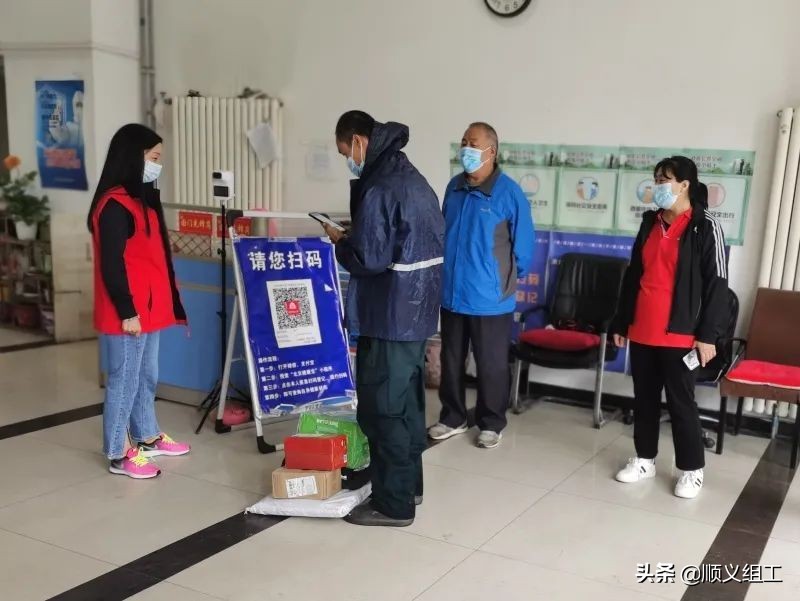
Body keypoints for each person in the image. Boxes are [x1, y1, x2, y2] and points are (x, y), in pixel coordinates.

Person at [321, 110, 444, 527]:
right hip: (418, 314)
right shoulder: (413, 179)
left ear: (359, 141)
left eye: (345, 153)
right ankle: (409, 485)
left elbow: (369, 258)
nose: (347, 161)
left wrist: (341, 242)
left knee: (382, 409)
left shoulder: (379, 187)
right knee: (408, 407)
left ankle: (393, 504)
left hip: (389, 315)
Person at [611, 155, 729, 499]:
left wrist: (709, 336)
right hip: (644, 329)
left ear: (685, 185)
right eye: (656, 179)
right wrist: (623, 320)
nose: (658, 186)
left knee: (681, 403)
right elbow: (634, 275)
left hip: (681, 333)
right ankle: (645, 458)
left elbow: (717, 285)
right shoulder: (650, 223)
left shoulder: (706, 226)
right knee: (644, 398)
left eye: (664, 180)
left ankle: (692, 469)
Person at [88, 123, 191, 479]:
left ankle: (146, 436)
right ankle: (118, 452)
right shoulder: (115, 205)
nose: (157, 165)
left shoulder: (140, 200)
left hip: (149, 311)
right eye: (154, 158)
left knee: (146, 375)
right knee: (124, 379)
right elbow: (111, 263)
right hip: (130, 314)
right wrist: (127, 311)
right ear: (133, 157)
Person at [428, 122, 535, 449]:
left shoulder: (509, 193)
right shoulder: (454, 188)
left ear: (492, 151)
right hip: (452, 294)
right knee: (451, 360)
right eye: (463, 142)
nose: (465, 149)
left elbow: (524, 249)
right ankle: (453, 416)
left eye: (472, 143)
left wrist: (499, 281)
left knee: (490, 364)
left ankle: (491, 421)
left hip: (490, 298)